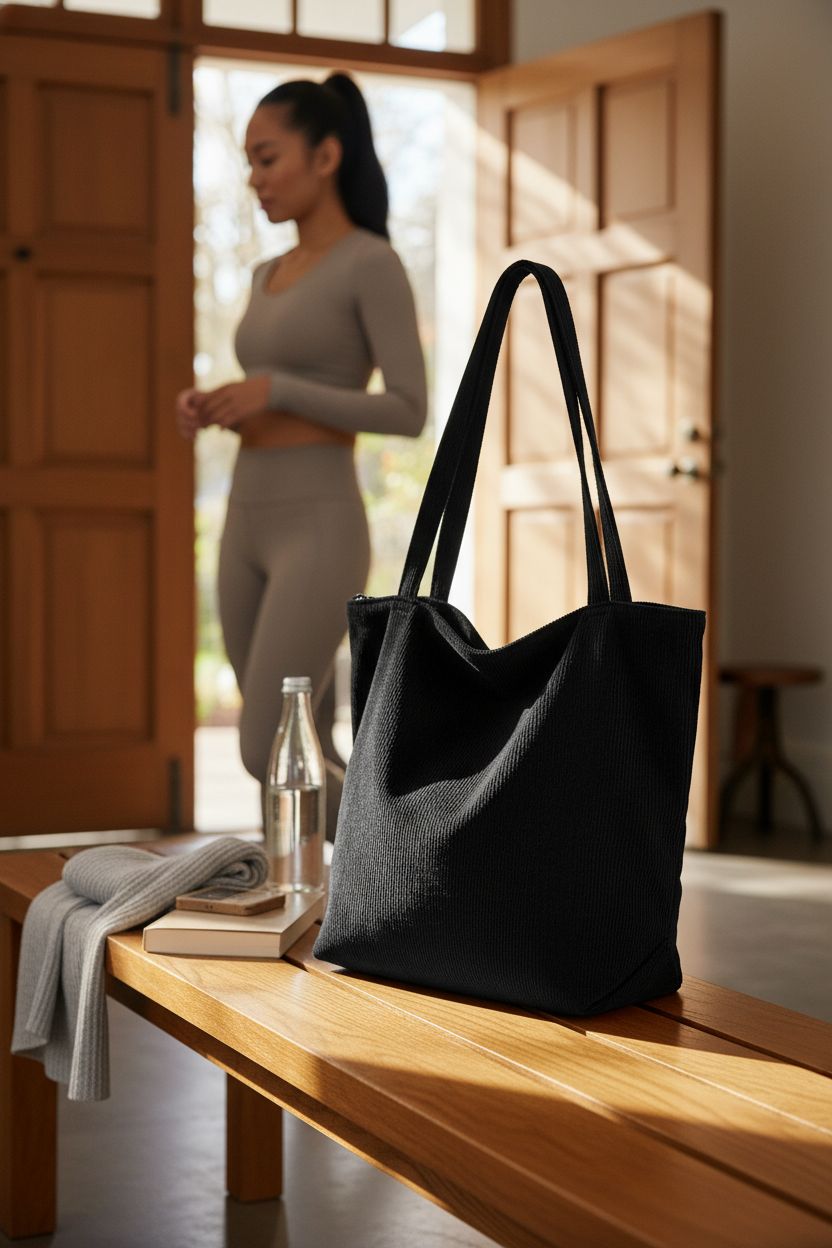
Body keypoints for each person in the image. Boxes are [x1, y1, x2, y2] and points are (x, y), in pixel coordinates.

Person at [175, 73, 427, 837]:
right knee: (299, 742)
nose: (254, 180)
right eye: (248, 163)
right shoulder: (261, 274)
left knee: (265, 745)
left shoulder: (370, 262)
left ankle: (422, 854)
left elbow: (409, 410)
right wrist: (221, 403)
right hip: (246, 517)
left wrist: (277, 389)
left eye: (267, 158)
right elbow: (268, 391)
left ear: (325, 156)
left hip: (319, 523)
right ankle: (302, 915)